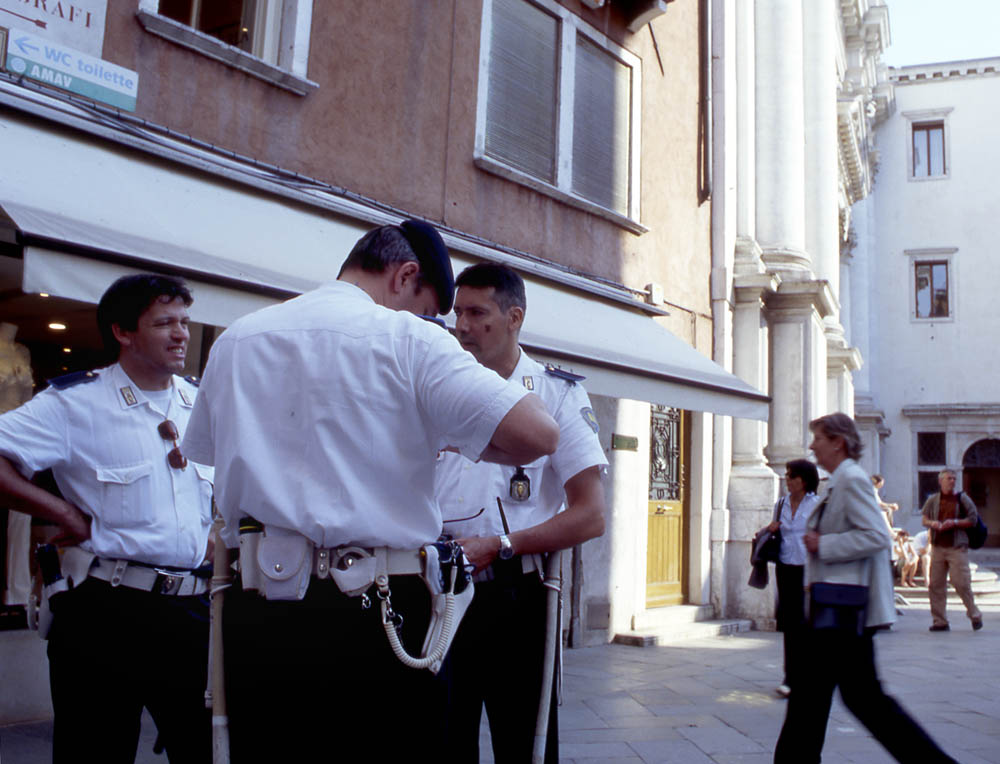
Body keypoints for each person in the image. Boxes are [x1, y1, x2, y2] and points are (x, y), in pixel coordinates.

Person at [181, 221, 560, 762]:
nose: (436, 323)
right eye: (430, 309)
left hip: (259, 608)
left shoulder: (239, 338)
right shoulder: (411, 339)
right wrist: (451, 429)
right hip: (379, 613)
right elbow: (538, 434)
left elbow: (213, 454)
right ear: (405, 276)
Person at [0, 275, 214, 763]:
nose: (181, 333)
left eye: (184, 321)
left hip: (192, 613)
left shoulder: (202, 403)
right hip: (105, 611)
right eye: (164, 322)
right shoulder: (75, 403)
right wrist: (60, 512)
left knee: (205, 750)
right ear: (123, 332)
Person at [434, 263, 607, 762]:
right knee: (442, 740)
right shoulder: (438, 391)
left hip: (517, 598)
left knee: (524, 746)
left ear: (514, 317)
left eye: (476, 312)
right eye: (457, 312)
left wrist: (504, 544)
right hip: (439, 592)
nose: (461, 326)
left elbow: (591, 515)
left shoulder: (557, 394)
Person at [773, 413, 956, 764]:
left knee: (847, 700)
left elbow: (876, 536)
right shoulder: (841, 480)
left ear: (838, 442)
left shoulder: (852, 479)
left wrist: (822, 544)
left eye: (819, 439)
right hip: (836, 610)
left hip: (843, 611)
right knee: (821, 699)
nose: (813, 446)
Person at [765, 459, 820, 699]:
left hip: (808, 569)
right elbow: (776, 533)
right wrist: (771, 528)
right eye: (786, 476)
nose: (787, 480)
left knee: (806, 623)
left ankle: (807, 674)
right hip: (786, 567)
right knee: (789, 624)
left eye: (791, 476)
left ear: (804, 480)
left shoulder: (816, 505)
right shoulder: (780, 505)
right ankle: (790, 676)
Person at [922, 469, 983, 632]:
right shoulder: (933, 500)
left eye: (954, 478)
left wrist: (954, 522)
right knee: (935, 585)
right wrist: (933, 524)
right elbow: (924, 518)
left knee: (961, 583)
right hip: (938, 547)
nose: (952, 481)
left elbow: (973, 519)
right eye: (949, 478)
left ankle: (975, 614)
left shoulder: (963, 498)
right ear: (940, 481)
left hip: (957, 547)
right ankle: (940, 621)